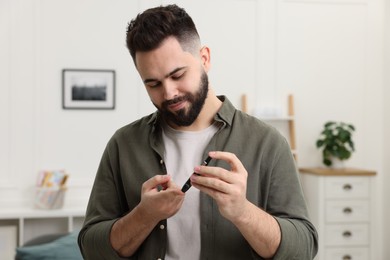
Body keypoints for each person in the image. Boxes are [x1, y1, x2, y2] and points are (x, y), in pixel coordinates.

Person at [78, 4, 318, 260]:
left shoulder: (268, 143)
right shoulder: (123, 145)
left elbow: (302, 249)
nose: (169, 93)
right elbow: (92, 249)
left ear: (204, 58)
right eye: (153, 83)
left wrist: (242, 211)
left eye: (178, 75)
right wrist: (144, 215)